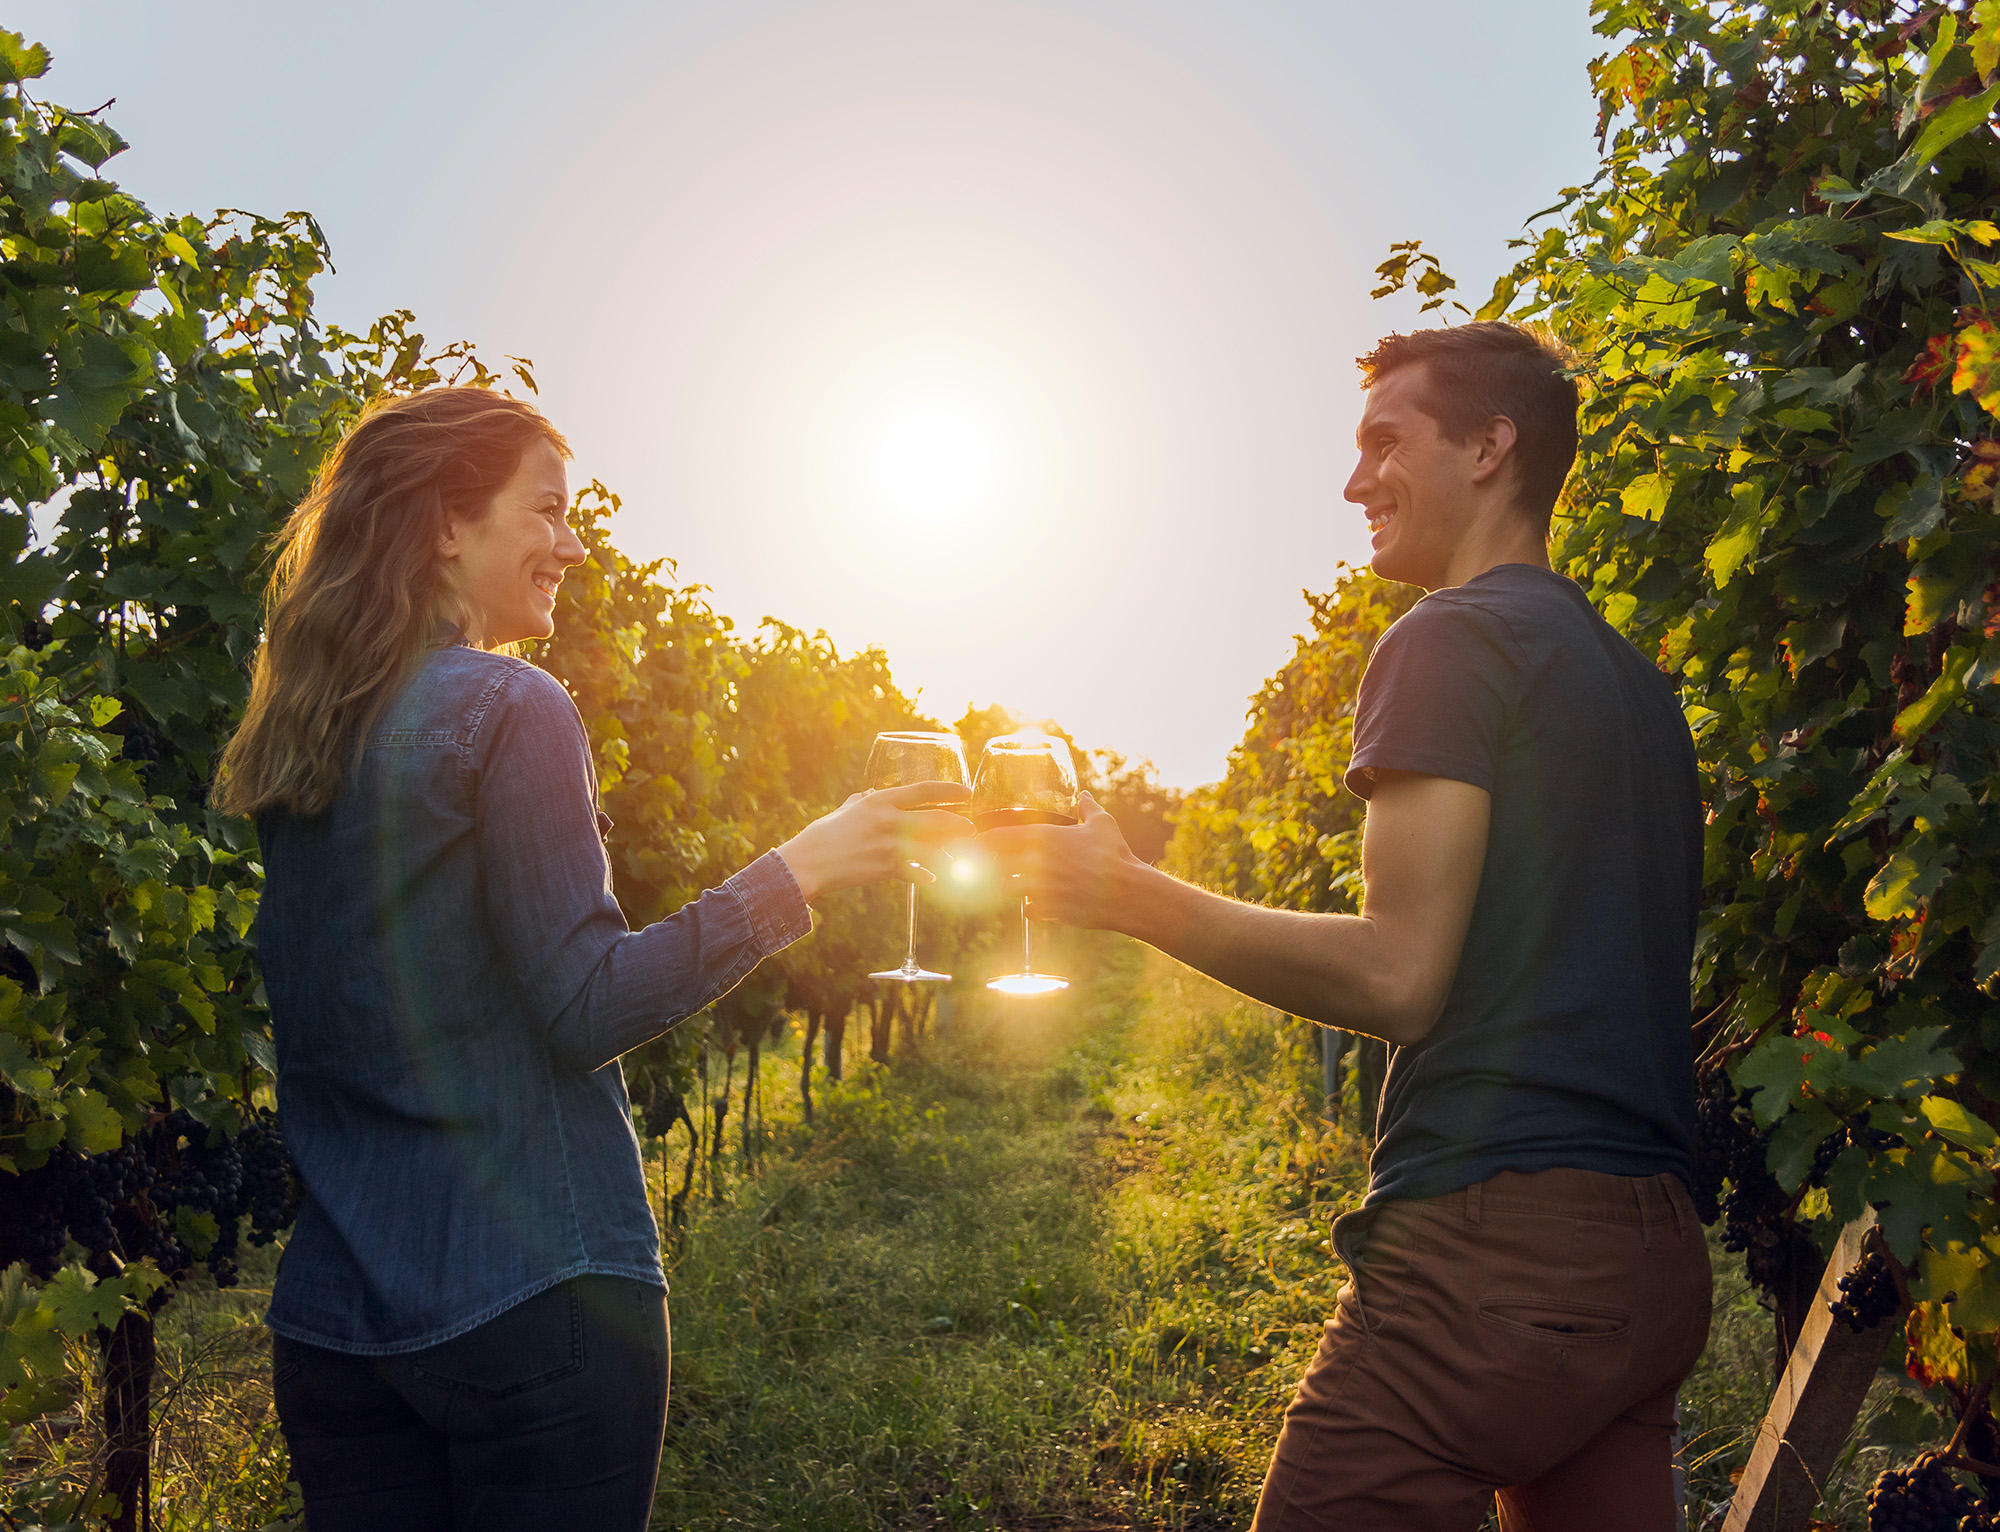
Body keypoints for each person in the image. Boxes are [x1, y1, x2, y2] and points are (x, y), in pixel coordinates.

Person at [983, 322, 1709, 1531]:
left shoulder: (1449, 637)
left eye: (1384, 441)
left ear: (1489, 447)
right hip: (1647, 1262)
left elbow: (1400, 976)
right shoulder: (1632, 682)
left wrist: (1128, 894)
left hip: (1492, 1256)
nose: (1352, 480)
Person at [214, 387, 968, 1531]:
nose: (573, 543)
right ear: (447, 525)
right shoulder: (511, 706)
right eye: (549, 510)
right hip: (530, 1299)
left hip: (335, 1321)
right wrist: (799, 868)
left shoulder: (302, 730)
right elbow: (586, 1003)